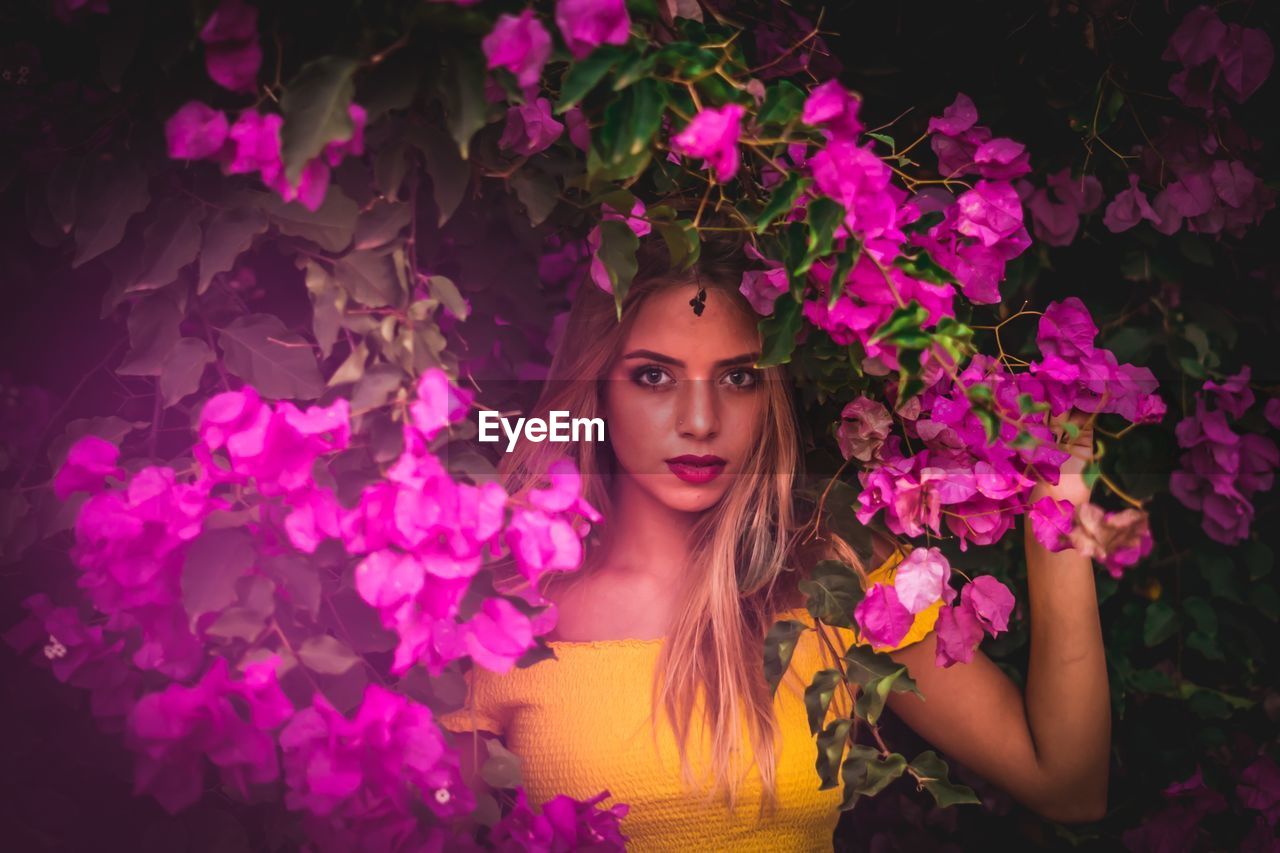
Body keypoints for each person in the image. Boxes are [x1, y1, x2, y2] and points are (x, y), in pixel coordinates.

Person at [438, 228, 1111, 849]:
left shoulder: (835, 572)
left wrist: (1062, 501)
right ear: (599, 390)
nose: (700, 420)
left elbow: (1067, 784)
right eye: (654, 376)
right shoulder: (499, 611)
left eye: (738, 377)